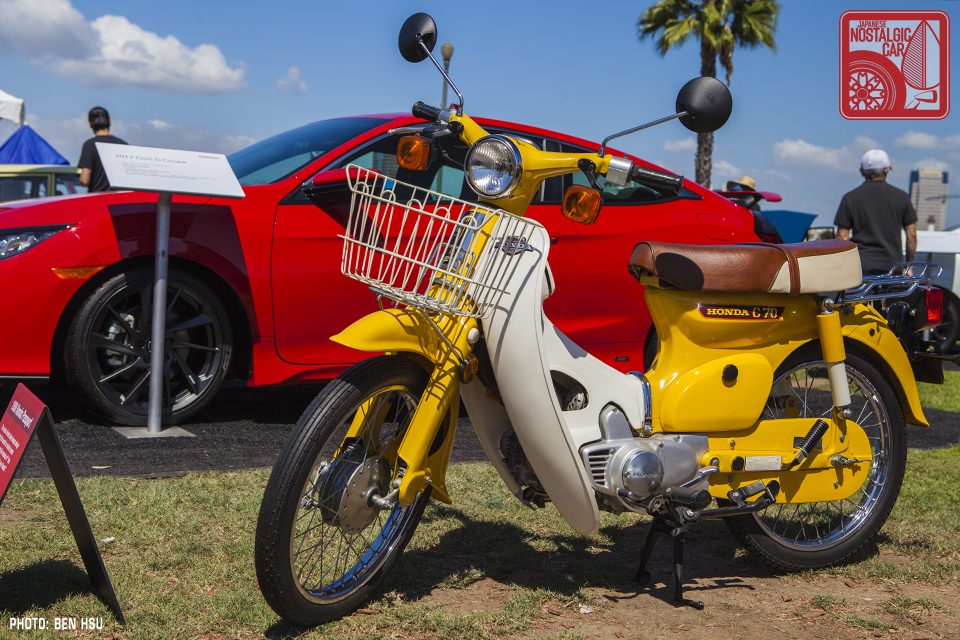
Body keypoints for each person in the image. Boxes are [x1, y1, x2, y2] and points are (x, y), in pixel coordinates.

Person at [834, 149, 917, 276]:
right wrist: (909, 266)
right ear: (887, 169)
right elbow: (912, 236)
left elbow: (841, 236)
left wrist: (843, 266)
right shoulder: (902, 197)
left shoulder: (850, 198)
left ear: (861, 172)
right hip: (893, 267)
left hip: (861, 267)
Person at [78, 106, 127, 192]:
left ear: (89, 124)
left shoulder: (90, 145)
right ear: (110, 121)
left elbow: (85, 180)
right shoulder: (124, 145)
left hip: (98, 197)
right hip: (120, 197)